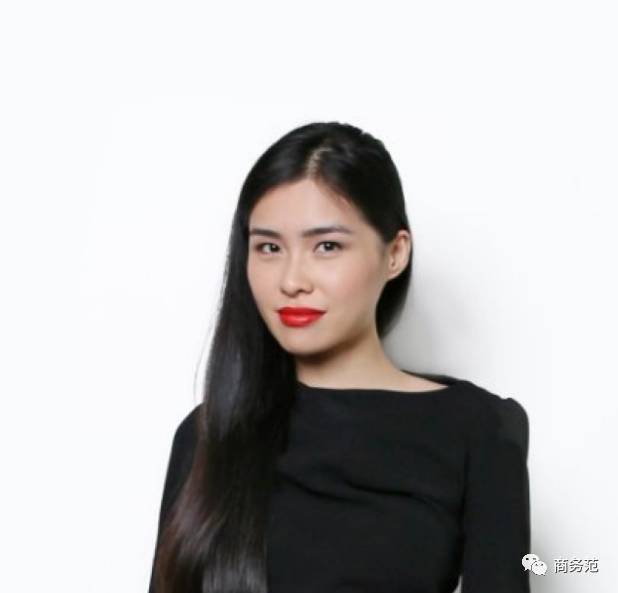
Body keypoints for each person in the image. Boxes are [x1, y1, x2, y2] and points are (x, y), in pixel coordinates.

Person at [147, 121, 531, 593]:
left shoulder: (478, 429)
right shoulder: (210, 434)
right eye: (269, 247)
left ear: (395, 253)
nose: (292, 280)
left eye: (326, 246)